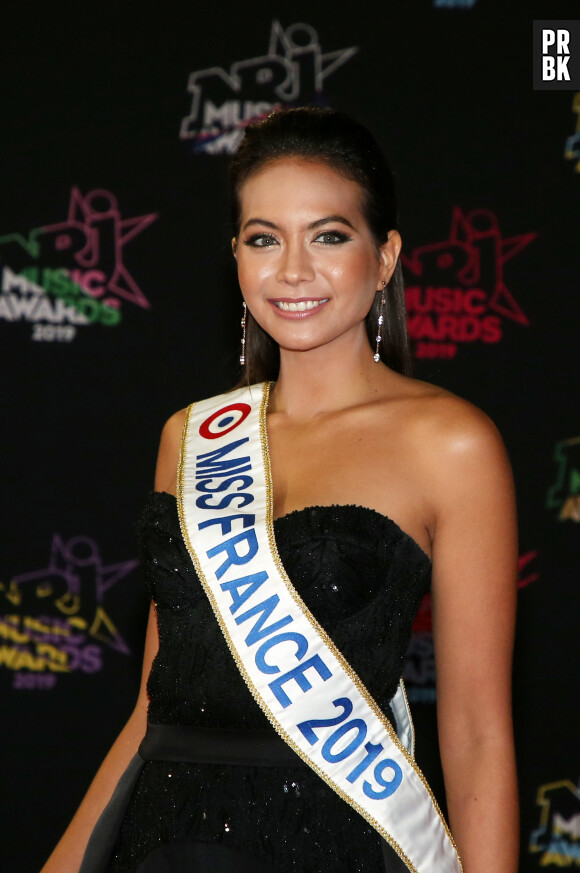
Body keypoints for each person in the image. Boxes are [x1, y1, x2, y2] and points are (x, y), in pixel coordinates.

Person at [41, 107, 519, 873]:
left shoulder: (450, 444)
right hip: (164, 839)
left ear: (386, 254)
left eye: (329, 235)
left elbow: (476, 733)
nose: (293, 270)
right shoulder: (190, 437)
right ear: (235, 254)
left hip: (334, 841)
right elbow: (154, 705)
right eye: (264, 238)